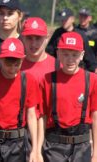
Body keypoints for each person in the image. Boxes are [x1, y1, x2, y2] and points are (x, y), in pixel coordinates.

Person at [40, 32, 97, 161]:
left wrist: (96, 153)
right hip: (54, 146)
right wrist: (38, 149)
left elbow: (95, 116)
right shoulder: (48, 80)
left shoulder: (92, 80)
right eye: (65, 54)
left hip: (82, 147)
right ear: (58, 54)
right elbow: (42, 116)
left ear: (82, 55)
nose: (70, 59)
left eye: (74, 55)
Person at [20, 17, 56, 162]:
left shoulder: (58, 66)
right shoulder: (15, 66)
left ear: (47, 38)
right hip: (21, 133)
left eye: (38, 38)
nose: (33, 43)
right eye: (29, 38)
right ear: (22, 38)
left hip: (52, 134)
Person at [46, 8, 97, 72]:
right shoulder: (57, 33)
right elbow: (49, 52)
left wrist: (94, 69)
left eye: (65, 20)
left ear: (72, 19)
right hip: (60, 71)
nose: (63, 22)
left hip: (77, 71)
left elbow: (89, 57)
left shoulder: (80, 35)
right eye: (62, 20)